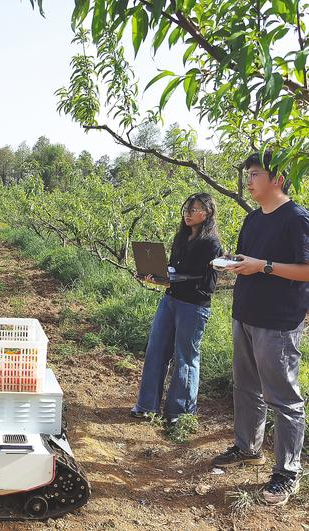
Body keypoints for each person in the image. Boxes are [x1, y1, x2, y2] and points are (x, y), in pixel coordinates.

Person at [211, 151, 308, 506]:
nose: (248, 181)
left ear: (277, 179)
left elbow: (306, 269)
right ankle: (248, 448)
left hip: (278, 322)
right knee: (246, 387)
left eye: (254, 174)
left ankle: (287, 473)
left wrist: (263, 265)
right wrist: (234, 263)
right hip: (245, 314)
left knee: (284, 399)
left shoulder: (297, 219)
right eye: (248, 174)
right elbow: (247, 260)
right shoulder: (253, 219)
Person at [131, 193, 222, 426]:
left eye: (193, 210)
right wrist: (156, 276)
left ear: (207, 213)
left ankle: (179, 412)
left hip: (193, 306)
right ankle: (146, 405)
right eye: (186, 210)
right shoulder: (181, 238)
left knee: (185, 357)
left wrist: (172, 278)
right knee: (156, 349)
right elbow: (172, 268)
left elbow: (204, 281)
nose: (188, 214)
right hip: (171, 299)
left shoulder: (211, 244)